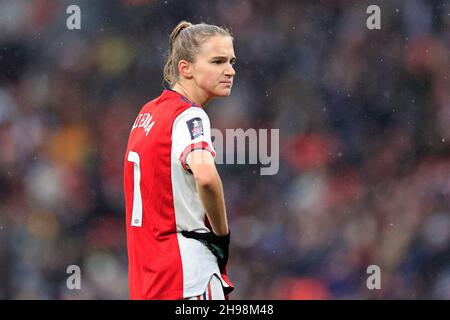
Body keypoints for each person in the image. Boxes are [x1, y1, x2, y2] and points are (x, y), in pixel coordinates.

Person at [123, 21, 236, 300]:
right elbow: (206, 177)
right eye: (218, 61)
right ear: (186, 68)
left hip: (148, 277)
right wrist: (221, 236)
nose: (230, 70)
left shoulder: (147, 114)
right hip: (186, 275)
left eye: (231, 61)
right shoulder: (189, 116)